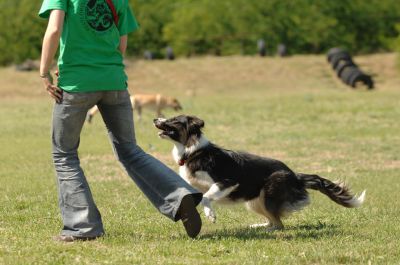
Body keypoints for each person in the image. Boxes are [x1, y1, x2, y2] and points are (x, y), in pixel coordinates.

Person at [38, 0, 202, 242]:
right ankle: (179, 196)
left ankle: (83, 227)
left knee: (64, 154)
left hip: (76, 84)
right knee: (130, 151)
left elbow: (54, 30)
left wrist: (44, 72)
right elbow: (121, 43)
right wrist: (106, 68)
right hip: (115, 82)